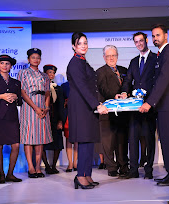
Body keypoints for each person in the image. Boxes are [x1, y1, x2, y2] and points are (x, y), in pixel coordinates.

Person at [139, 24, 169, 186]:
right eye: (153, 36)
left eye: (158, 35)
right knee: (165, 140)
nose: (155, 38)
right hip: (163, 106)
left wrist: (150, 102)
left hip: (168, 106)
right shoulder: (161, 54)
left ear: (166, 36)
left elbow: (163, 80)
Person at [67, 32, 108, 189]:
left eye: (85, 43)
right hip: (81, 107)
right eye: (80, 43)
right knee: (84, 140)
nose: (83, 46)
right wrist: (97, 105)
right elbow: (83, 88)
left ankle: (87, 174)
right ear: (74, 46)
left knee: (89, 140)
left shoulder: (83, 61)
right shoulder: (75, 63)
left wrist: (100, 101)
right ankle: (80, 176)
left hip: (88, 106)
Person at [118, 32, 157, 179]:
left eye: (141, 41)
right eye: (136, 42)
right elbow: (128, 80)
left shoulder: (155, 59)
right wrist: (124, 92)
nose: (139, 44)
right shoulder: (134, 61)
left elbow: (157, 82)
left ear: (146, 41)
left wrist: (150, 101)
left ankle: (149, 170)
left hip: (149, 106)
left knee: (149, 139)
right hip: (134, 107)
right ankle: (133, 170)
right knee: (133, 138)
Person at [18, 48, 53, 178]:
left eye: (38, 58)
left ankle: (38, 168)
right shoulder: (23, 72)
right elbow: (22, 92)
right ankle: (31, 168)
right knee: (29, 139)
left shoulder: (44, 75)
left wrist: (46, 107)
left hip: (43, 108)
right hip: (29, 108)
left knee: (40, 139)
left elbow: (48, 92)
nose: (36, 60)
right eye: (33, 57)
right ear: (28, 59)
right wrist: (36, 108)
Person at [96, 45, 129, 177]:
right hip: (107, 113)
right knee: (108, 143)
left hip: (123, 113)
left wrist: (125, 93)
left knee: (122, 141)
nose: (111, 58)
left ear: (117, 56)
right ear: (104, 57)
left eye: (113, 55)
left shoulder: (124, 70)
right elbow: (103, 89)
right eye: (108, 56)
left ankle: (123, 165)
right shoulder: (100, 72)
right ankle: (111, 168)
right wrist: (115, 96)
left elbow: (128, 85)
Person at [0, 55, 22, 184]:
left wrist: (15, 96)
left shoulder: (16, 82)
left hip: (12, 117)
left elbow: (20, 100)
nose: (5, 65)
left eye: (7, 63)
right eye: (2, 63)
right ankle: (1, 175)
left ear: (11, 66)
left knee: (16, 145)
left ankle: (10, 174)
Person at [42, 65, 64, 174]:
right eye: (48, 72)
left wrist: (60, 121)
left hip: (55, 119)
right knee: (41, 144)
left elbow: (60, 106)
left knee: (58, 143)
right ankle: (46, 166)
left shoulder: (58, 88)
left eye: (52, 73)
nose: (51, 75)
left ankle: (54, 166)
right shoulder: (40, 87)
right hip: (43, 119)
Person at [61, 81, 78, 172]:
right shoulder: (64, 86)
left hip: (79, 114)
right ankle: (70, 163)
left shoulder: (81, 84)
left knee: (77, 140)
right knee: (69, 139)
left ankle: (75, 163)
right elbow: (61, 102)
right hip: (68, 115)